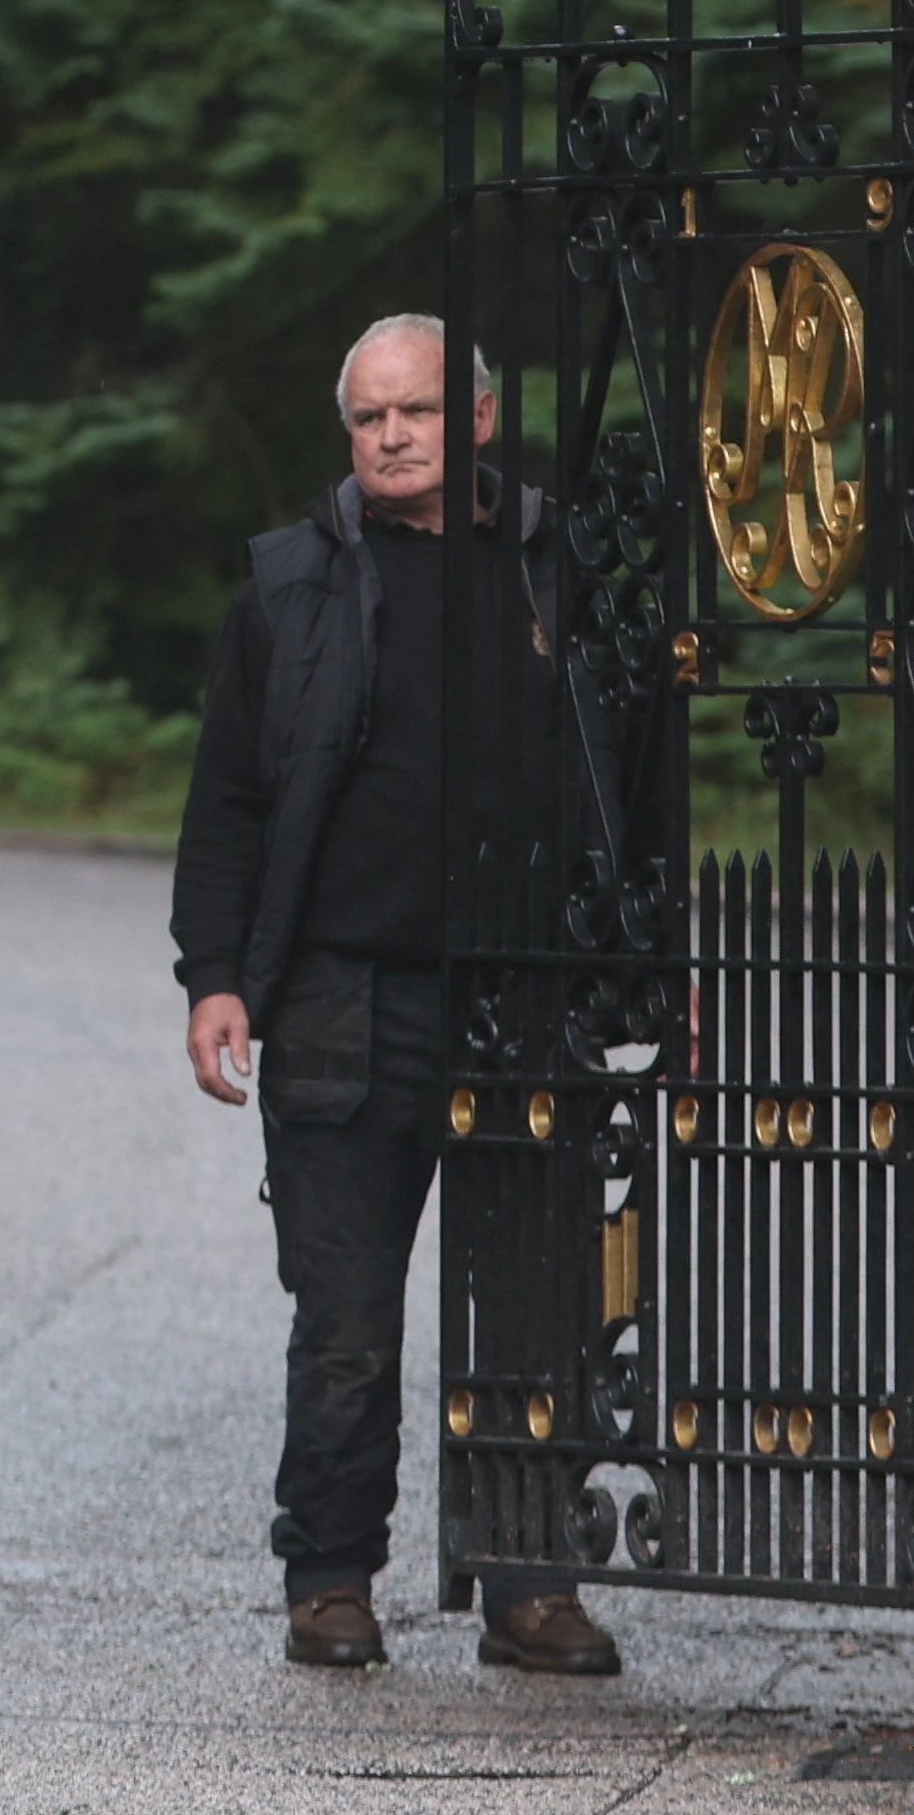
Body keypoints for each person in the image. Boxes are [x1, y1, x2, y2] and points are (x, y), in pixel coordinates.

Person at [168, 312, 621, 1678]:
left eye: (416, 412)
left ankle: (531, 1587)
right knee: (349, 1319)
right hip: (340, 1001)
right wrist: (217, 978)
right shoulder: (292, 582)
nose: (393, 438)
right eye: (369, 419)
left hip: (524, 995)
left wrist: (655, 968)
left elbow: (630, 781)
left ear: (479, 417)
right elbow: (227, 798)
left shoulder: (557, 567)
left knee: (538, 1310)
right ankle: (330, 1577)